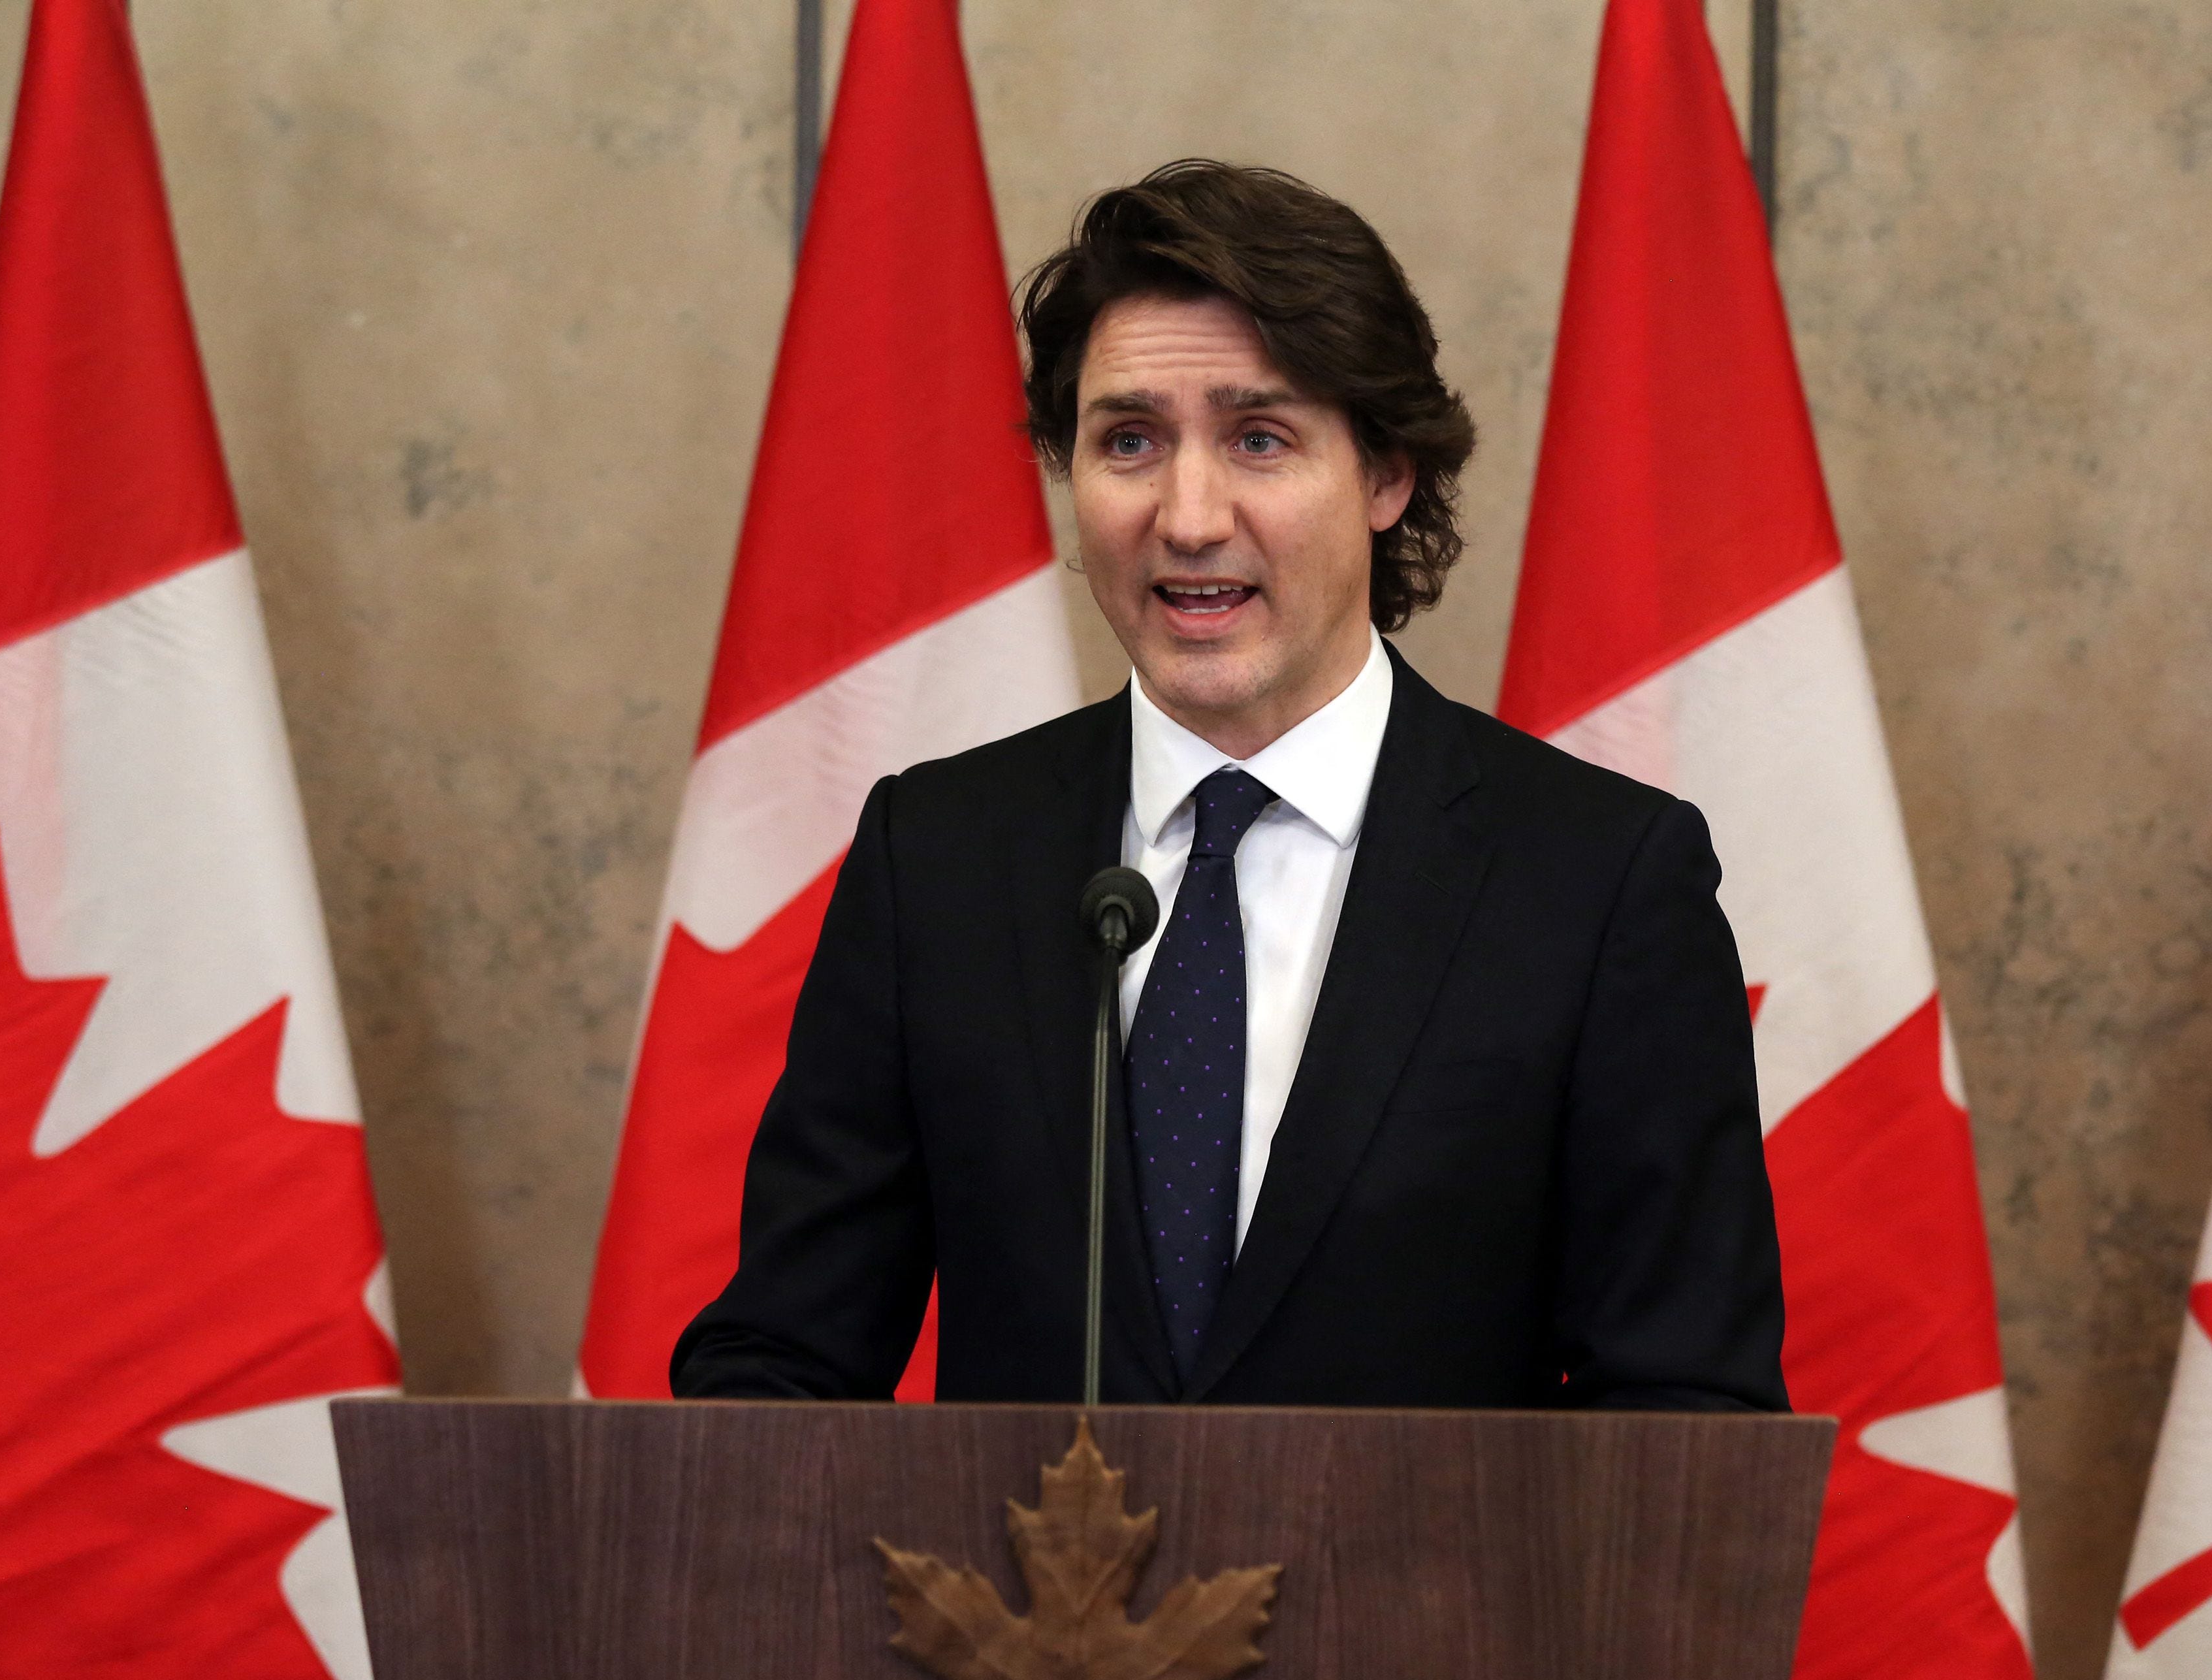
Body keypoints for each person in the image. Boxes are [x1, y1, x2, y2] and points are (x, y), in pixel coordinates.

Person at [672, 159, 1786, 1420]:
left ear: (1386, 476)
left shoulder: (1599, 881)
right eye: (1130, 440)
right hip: (1021, 1617)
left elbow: (1690, 1416)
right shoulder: (937, 858)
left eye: (1260, 439)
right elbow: (783, 1362)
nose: (1188, 517)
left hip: (1434, 1619)